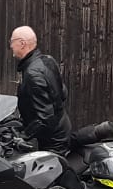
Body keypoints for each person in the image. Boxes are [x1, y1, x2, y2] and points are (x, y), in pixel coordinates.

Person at [9, 25, 71, 154]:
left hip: (53, 140)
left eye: (12, 41)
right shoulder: (47, 60)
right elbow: (63, 92)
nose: (11, 46)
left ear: (22, 43)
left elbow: (45, 117)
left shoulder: (32, 74)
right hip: (60, 127)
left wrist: (23, 136)